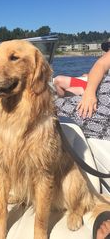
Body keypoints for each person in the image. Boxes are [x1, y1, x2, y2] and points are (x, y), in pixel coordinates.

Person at [55, 43, 110, 239]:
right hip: (96, 100)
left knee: (49, 110)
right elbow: (101, 65)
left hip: (100, 111)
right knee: (49, 108)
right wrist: (88, 92)